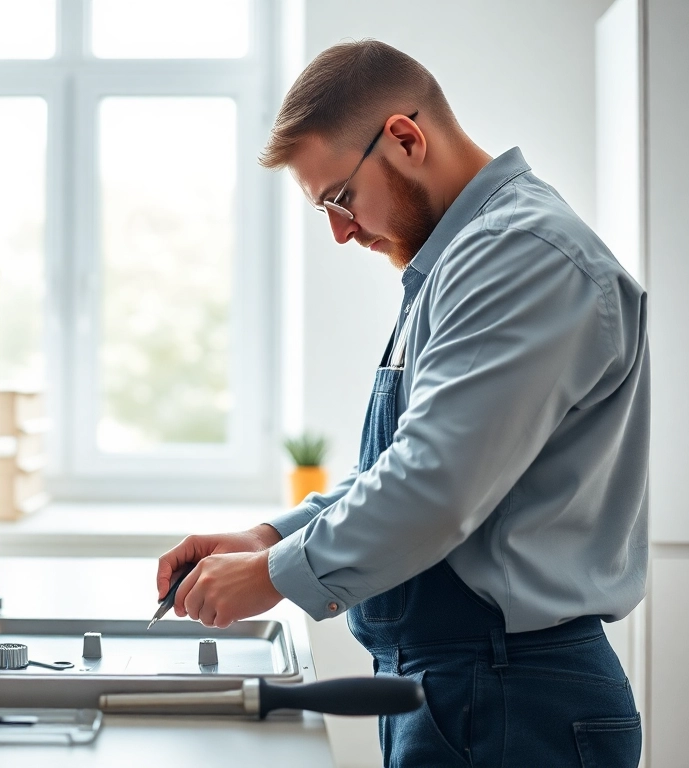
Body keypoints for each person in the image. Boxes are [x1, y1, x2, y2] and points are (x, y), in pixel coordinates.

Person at [155, 40, 648, 767]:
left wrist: (271, 576)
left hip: (517, 700)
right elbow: (395, 465)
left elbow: (434, 486)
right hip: (463, 686)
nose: (341, 231)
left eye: (339, 197)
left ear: (406, 139)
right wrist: (268, 536)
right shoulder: (460, 262)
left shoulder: (521, 254)